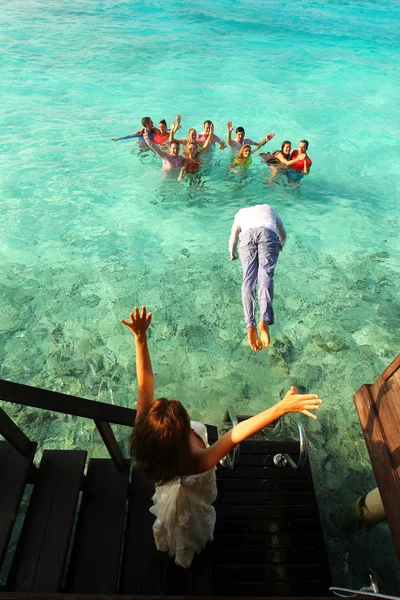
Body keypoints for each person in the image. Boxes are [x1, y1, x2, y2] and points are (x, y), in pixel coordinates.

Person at [121, 306, 323, 568]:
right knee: (196, 517)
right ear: (182, 434)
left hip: (171, 479)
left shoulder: (146, 434)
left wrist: (140, 339)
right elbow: (236, 434)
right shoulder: (196, 461)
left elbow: (144, 383)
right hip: (195, 485)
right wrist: (280, 408)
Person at [229, 204, 286, 350]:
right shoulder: (269, 208)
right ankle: (264, 320)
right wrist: (280, 245)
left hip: (246, 237)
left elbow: (233, 238)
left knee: (248, 280)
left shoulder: (240, 213)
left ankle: (250, 326)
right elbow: (282, 233)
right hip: (268, 235)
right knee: (265, 275)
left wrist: (233, 254)